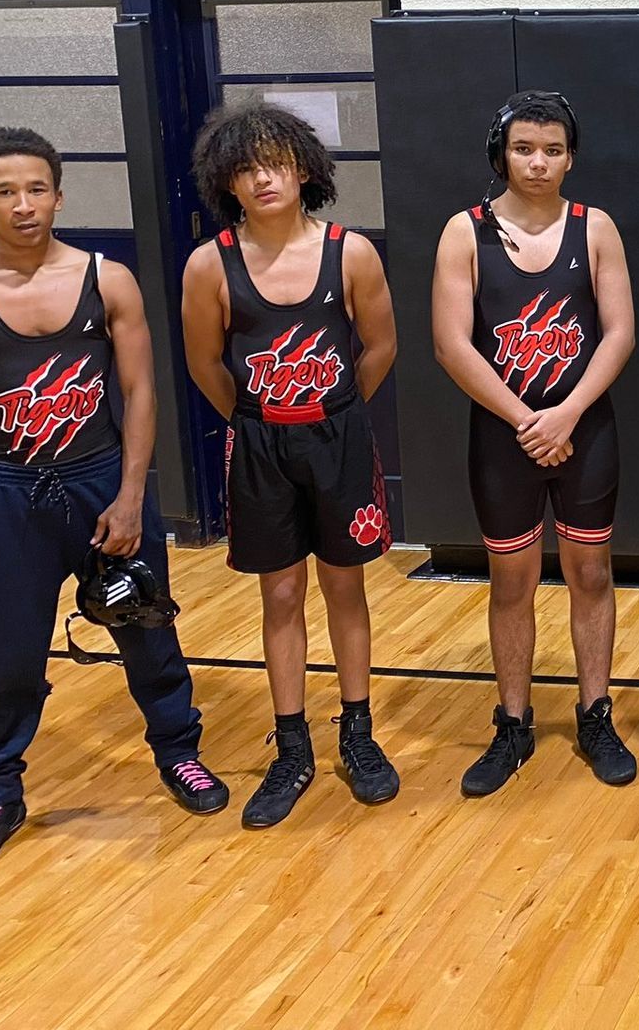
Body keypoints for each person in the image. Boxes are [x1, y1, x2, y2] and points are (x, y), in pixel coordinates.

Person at [0, 128, 225, 874]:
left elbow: (141, 390)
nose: (23, 205)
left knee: (146, 630)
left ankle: (179, 752)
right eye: (5, 192)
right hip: (5, 496)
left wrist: (132, 496)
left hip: (101, 481)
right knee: (6, 657)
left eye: (36, 189)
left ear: (59, 195)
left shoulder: (107, 279)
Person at [181, 102, 399, 827]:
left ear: (304, 169)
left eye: (274, 163)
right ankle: (291, 748)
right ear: (227, 182)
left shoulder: (350, 253)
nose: (262, 178)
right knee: (279, 595)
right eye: (246, 169)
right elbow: (205, 364)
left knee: (345, 586)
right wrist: (256, 418)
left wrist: (335, 412)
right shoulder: (209, 264)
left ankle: (358, 733)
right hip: (260, 443)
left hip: (338, 438)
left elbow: (380, 346)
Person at [432, 91, 637, 792]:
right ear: (502, 153)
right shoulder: (464, 232)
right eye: (524, 149)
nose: (538, 162)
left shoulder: (595, 227)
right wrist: (529, 420)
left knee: (592, 574)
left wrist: (567, 414)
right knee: (511, 581)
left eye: (552, 150)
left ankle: (595, 714)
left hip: (584, 431)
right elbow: (451, 344)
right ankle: (513, 724)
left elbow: (620, 333)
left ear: (570, 157)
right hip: (505, 437)